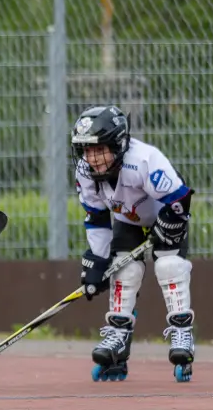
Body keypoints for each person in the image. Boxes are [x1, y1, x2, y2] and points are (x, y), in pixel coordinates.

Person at [73, 104, 195, 382]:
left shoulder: (144, 160)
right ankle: (117, 340)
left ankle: (182, 333)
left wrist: (169, 223)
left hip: (165, 213)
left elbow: (179, 199)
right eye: (86, 149)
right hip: (128, 220)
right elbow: (96, 217)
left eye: (98, 149)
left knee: (169, 265)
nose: (92, 157)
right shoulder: (85, 170)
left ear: (117, 145)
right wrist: (97, 261)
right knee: (121, 269)